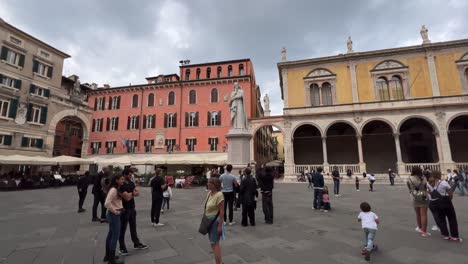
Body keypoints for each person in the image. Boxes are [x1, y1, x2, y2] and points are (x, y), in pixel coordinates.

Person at [118, 169, 148, 256]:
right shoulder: (121, 185)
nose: (131, 176)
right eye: (129, 174)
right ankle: (122, 247)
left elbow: (137, 193)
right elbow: (126, 198)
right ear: (124, 175)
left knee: (133, 227)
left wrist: (130, 194)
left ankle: (136, 243)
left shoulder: (131, 183)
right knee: (122, 229)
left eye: (131, 174)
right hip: (124, 209)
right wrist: (132, 194)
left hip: (132, 208)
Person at [427, 171, 462, 242]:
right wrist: (449, 200)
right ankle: (454, 236)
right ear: (438, 175)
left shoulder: (428, 184)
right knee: (452, 218)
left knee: (441, 219)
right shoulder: (443, 183)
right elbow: (450, 193)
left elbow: (429, 193)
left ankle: (445, 235)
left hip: (435, 203)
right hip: (446, 202)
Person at [103, 175, 126, 264]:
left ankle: (108, 256)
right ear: (116, 180)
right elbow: (106, 203)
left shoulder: (116, 188)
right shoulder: (114, 190)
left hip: (114, 214)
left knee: (111, 234)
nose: (123, 181)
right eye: (121, 179)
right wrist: (116, 211)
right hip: (114, 215)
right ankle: (111, 260)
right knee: (115, 236)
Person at [205, 177, 225, 264]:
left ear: (215, 185)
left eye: (210, 183)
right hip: (208, 221)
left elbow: (221, 212)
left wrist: (220, 226)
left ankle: (218, 263)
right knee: (212, 243)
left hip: (215, 222)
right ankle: (219, 261)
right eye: (208, 182)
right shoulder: (209, 193)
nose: (208, 184)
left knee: (215, 243)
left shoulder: (219, 195)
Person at [407, 167, 430, 237]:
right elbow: (426, 187)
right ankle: (424, 232)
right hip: (423, 196)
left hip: (414, 197)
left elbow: (409, 188)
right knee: (424, 215)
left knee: (418, 214)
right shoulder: (423, 178)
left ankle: (419, 228)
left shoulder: (409, 178)